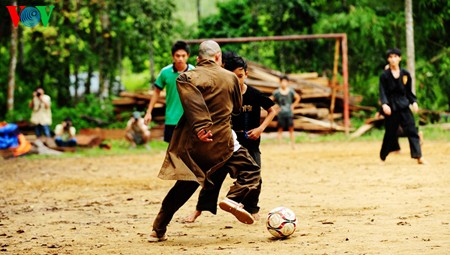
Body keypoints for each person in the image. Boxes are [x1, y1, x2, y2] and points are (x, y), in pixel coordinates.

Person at [149, 40, 261, 242]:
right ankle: (233, 198)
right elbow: (236, 108)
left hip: (194, 145)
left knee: (182, 188)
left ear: (197, 59)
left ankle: (158, 229)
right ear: (218, 57)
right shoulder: (231, 78)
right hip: (224, 142)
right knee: (251, 171)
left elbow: (193, 103)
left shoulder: (185, 77)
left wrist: (201, 126)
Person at [184, 52, 278, 223]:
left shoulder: (254, 94)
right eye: (233, 77)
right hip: (227, 144)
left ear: (246, 75)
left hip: (250, 144)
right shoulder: (223, 96)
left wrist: (260, 128)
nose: (237, 80)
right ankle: (198, 211)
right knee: (212, 179)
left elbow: (273, 109)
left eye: (240, 76)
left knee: (255, 177)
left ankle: (251, 209)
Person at [379, 48, 426, 164]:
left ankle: (418, 156)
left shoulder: (405, 74)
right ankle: (383, 156)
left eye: (395, 57)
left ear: (399, 58)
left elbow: (408, 92)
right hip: (391, 107)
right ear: (388, 59)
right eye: (390, 57)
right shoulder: (384, 75)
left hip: (404, 105)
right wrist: (384, 104)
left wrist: (413, 102)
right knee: (390, 133)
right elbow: (382, 92)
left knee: (412, 130)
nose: (393, 59)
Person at [144, 41, 195, 143]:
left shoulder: (194, 72)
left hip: (189, 118)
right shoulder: (165, 72)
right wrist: (149, 112)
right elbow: (156, 92)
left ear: (188, 56)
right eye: (177, 56)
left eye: (183, 56)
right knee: (172, 150)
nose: (180, 58)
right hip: (172, 118)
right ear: (173, 56)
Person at [270, 75, 300, 148]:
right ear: (280, 82)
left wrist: (293, 105)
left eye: (285, 82)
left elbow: (298, 97)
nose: (284, 83)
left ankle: (293, 144)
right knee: (280, 129)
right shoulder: (277, 92)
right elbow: (270, 100)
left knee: (291, 129)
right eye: (282, 81)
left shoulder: (290, 91)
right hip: (281, 114)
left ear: (288, 82)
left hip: (289, 113)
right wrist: (275, 106)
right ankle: (279, 145)